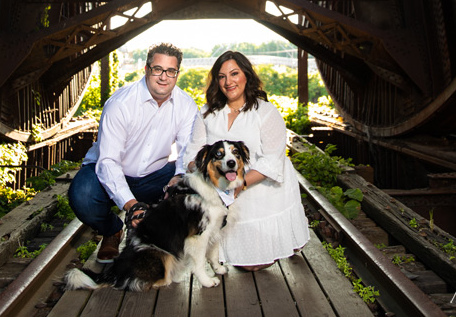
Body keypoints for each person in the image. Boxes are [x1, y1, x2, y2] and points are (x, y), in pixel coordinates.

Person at [68, 43, 199, 262]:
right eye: (158, 69)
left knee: (189, 185)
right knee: (82, 197)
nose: (163, 77)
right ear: (147, 69)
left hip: (155, 175)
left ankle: (153, 237)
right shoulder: (120, 104)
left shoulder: (186, 105)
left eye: (171, 71)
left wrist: (178, 177)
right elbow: (108, 161)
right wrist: (131, 205)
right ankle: (112, 230)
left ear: (177, 74)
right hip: (106, 170)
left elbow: (187, 151)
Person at [186, 50, 310, 271]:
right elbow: (193, 153)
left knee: (251, 266)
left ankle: (278, 239)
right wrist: (209, 180)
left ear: (246, 75)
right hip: (218, 187)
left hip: (259, 185)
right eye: (221, 76)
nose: (228, 81)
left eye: (234, 74)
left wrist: (239, 186)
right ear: (216, 81)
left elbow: (272, 160)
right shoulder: (206, 113)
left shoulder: (266, 112)